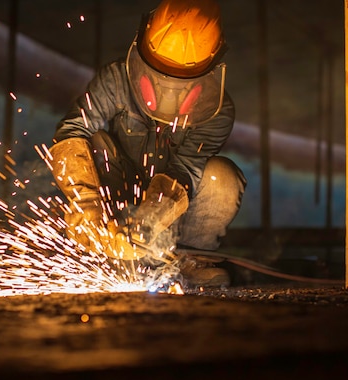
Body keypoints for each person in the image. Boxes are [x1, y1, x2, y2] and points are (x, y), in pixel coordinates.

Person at [47, 0, 246, 286]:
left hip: (173, 216)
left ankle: (191, 260)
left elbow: (185, 169)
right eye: (160, 75)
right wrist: (86, 202)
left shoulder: (217, 111)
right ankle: (109, 256)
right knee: (95, 144)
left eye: (180, 81)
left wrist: (150, 219)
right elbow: (71, 131)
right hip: (119, 200)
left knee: (220, 176)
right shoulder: (116, 80)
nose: (167, 93)